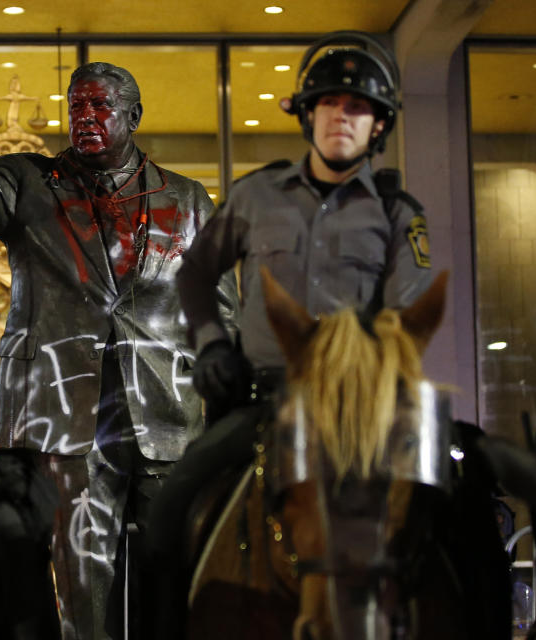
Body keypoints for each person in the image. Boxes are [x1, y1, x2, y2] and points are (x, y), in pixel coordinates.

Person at [0, 29, 237, 640]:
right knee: (79, 585)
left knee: (173, 578)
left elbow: (220, 310)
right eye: (76, 105)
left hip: (166, 416)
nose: (85, 116)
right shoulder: (28, 184)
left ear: (133, 116)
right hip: (63, 421)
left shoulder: (188, 200)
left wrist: (233, 395)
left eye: (100, 106)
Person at [144, 31, 435, 638]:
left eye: (357, 108)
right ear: (308, 113)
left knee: (457, 503)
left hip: (364, 411)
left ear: (378, 126)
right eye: (329, 103)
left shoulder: (397, 213)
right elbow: (195, 273)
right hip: (267, 400)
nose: (342, 117)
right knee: (170, 508)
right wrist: (212, 343)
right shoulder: (255, 195)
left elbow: (406, 316)